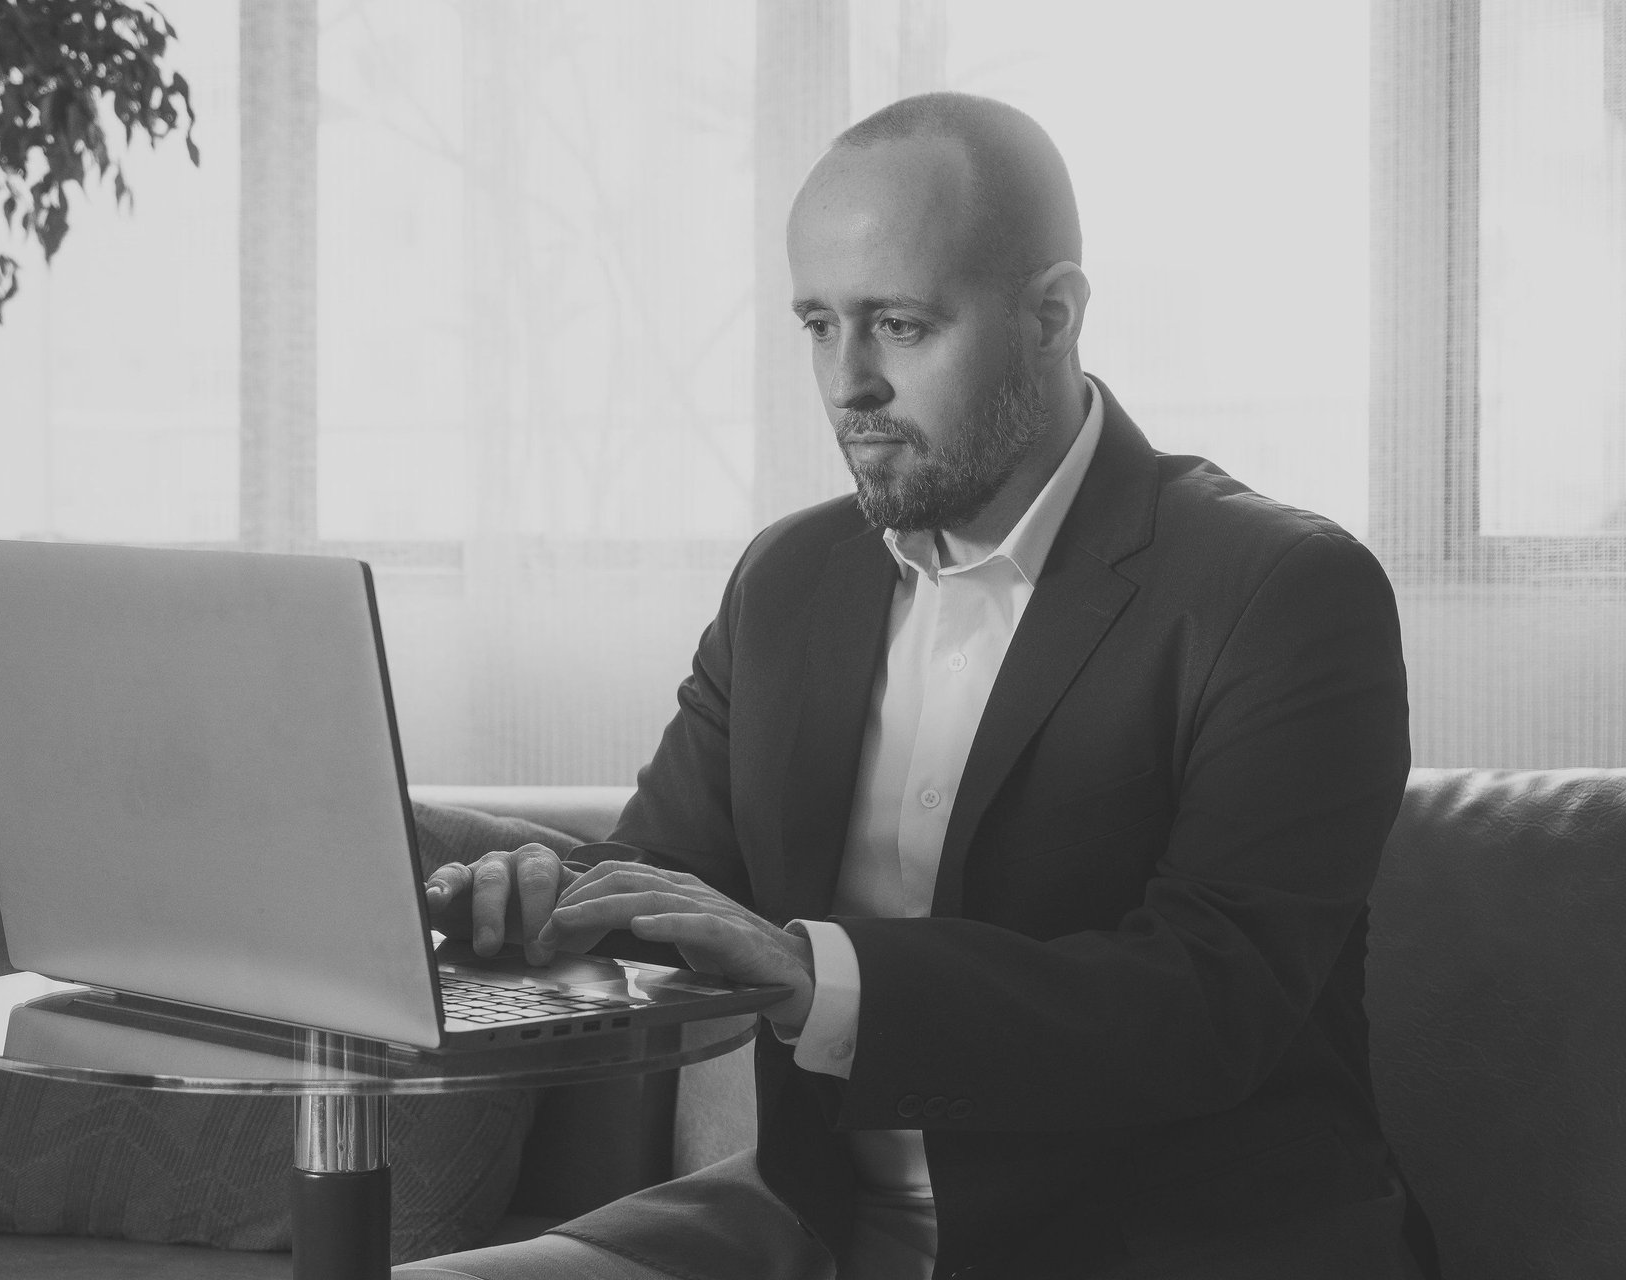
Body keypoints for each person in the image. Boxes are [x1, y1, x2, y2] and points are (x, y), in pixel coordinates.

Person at [401, 92, 1435, 1280]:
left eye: (898, 324)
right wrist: (540, 899)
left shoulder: (1282, 590)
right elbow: (672, 875)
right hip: (816, 1223)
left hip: (1158, 1239)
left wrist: (817, 974)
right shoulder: (788, 580)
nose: (849, 383)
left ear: (1053, 315)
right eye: (818, 324)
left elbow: (1210, 1002)